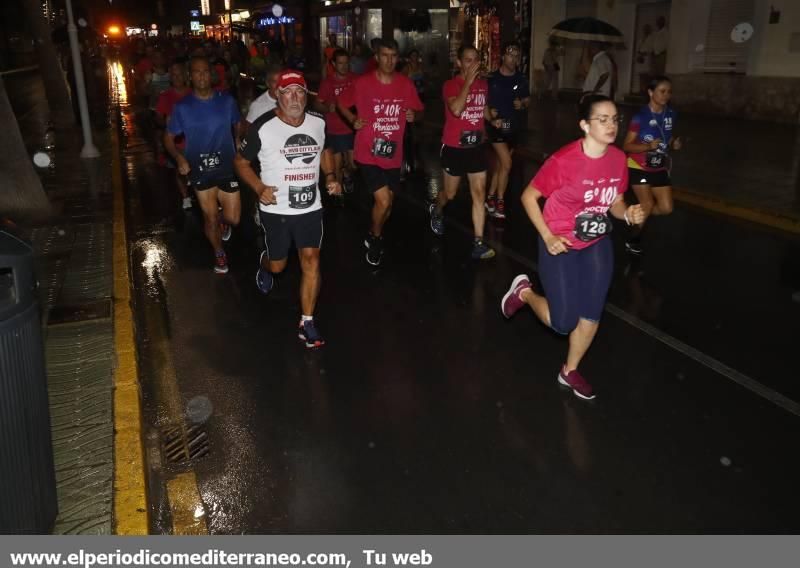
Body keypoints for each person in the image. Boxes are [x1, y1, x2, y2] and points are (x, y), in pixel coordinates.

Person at [500, 95, 645, 400]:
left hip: (596, 243)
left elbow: (615, 201)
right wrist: (548, 236)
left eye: (614, 119)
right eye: (602, 119)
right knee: (563, 322)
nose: (611, 125)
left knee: (591, 312)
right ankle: (523, 292)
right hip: (561, 241)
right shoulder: (563, 161)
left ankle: (570, 370)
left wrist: (628, 213)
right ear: (584, 125)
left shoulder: (619, 159)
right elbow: (528, 197)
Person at [234, 70, 342, 348]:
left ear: (306, 95)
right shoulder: (262, 126)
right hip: (277, 209)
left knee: (311, 260)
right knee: (279, 266)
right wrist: (259, 188)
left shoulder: (318, 122)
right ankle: (264, 262)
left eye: (300, 92)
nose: (294, 98)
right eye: (288, 92)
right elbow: (241, 162)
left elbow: (325, 150)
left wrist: (330, 177)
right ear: (278, 97)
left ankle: (307, 322)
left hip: (310, 207)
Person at [337, 38, 424, 267]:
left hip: (392, 154)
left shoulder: (405, 84)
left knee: (388, 204)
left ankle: (373, 230)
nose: (389, 60)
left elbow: (419, 110)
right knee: (383, 201)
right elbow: (341, 103)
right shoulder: (363, 83)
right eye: (385, 55)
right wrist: (353, 119)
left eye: (393, 56)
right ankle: (375, 238)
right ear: (376, 58)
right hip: (368, 151)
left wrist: (415, 116)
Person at [165, 56, 242, 274]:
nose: (201, 76)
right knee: (209, 217)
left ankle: (222, 222)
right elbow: (168, 138)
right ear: (190, 77)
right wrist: (179, 158)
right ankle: (219, 252)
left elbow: (238, 123)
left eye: (205, 72)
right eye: (196, 72)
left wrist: (237, 138)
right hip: (200, 169)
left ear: (212, 75)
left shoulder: (226, 101)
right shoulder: (182, 107)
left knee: (233, 218)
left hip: (226, 166)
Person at [429, 44, 496, 260]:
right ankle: (437, 208)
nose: (472, 64)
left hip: (476, 147)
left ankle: (478, 242)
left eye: (475, 59)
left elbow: (483, 111)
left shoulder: (483, 85)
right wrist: (467, 83)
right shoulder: (450, 85)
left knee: (479, 194)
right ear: (458, 63)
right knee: (450, 194)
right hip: (454, 148)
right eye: (468, 60)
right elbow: (456, 110)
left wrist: (493, 116)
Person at [622, 75, 681, 255]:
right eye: (662, 91)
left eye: (669, 92)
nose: (666, 95)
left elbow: (666, 136)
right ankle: (634, 239)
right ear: (650, 92)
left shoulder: (671, 114)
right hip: (638, 165)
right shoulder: (640, 117)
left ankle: (636, 215)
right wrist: (647, 146)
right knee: (646, 203)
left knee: (666, 208)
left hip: (659, 165)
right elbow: (626, 145)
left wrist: (673, 144)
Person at [485, 41, 530, 220]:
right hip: (496, 126)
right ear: (503, 56)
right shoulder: (492, 78)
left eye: (517, 55)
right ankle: (500, 203)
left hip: (513, 127)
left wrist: (523, 104)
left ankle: (489, 198)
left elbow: (528, 99)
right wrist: (489, 113)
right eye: (510, 54)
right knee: (507, 163)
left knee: (501, 165)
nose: (514, 58)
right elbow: (483, 100)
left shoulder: (521, 79)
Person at [314, 49, 356, 192]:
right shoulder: (328, 83)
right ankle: (338, 194)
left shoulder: (355, 79)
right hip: (334, 130)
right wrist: (327, 108)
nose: (344, 66)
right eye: (340, 63)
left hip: (352, 128)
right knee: (336, 164)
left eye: (346, 63)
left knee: (353, 163)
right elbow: (317, 103)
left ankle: (347, 173)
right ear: (333, 64)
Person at [155, 61, 192, 209]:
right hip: (176, 143)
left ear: (185, 76)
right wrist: (167, 122)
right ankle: (185, 197)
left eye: (179, 74)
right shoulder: (165, 96)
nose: (176, 77)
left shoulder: (193, 93)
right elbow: (158, 117)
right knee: (180, 171)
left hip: (195, 140)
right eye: (173, 75)